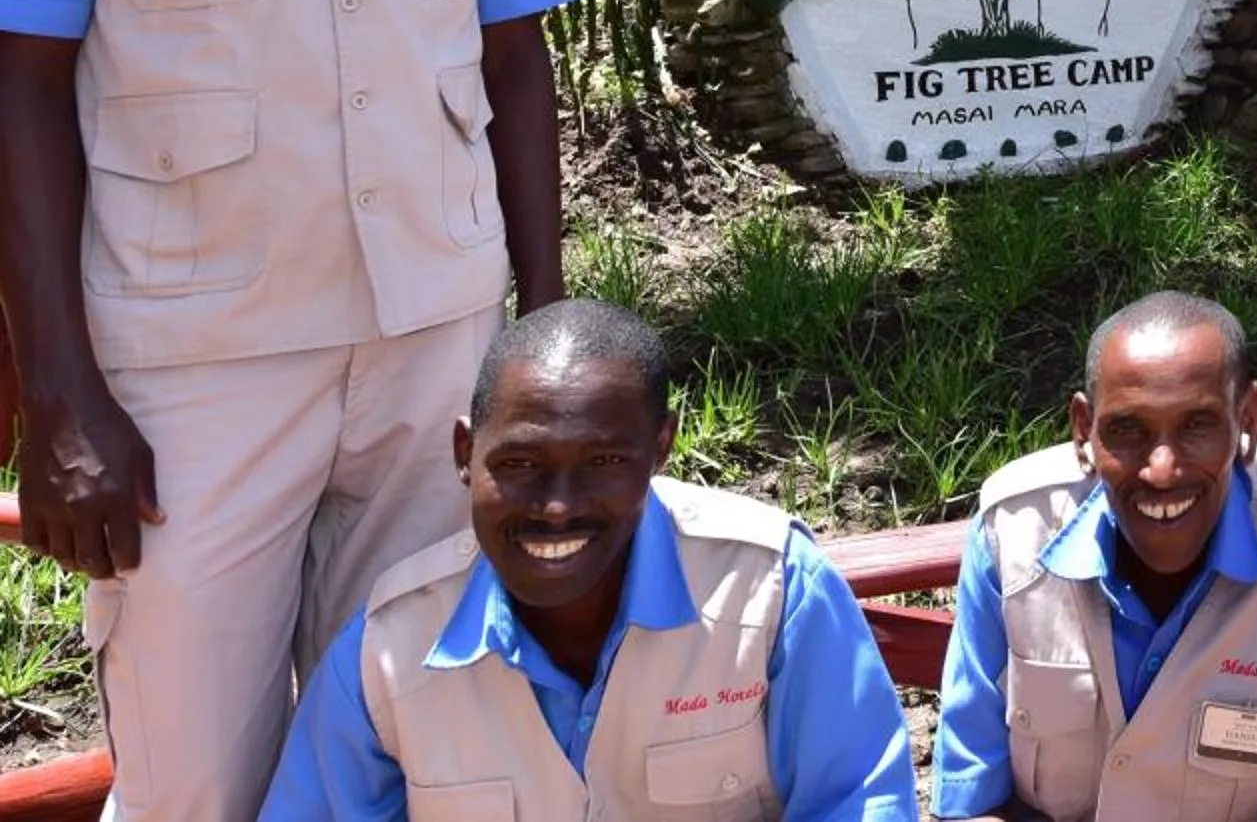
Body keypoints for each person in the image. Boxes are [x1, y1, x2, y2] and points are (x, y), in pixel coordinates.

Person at [0, 0, 594, 822]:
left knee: (408, 737)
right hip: (188, 358)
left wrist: (545, 335)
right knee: (191, 766)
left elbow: (517, 60)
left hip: (430, 346)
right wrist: (56, 393)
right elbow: (20, 85)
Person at [258, 298, 919, 820]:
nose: (556, 507)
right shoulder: (387, 653)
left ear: (660, 449)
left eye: (604, 462)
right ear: (465, 454)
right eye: (519, 464)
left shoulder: (769, 589)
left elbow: (858, 802)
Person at [933, 291, 1257, 820]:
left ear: (1247, 419)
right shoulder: (1013, 531)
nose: (1161, 470)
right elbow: (972, 799)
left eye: (1197, 426)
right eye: (1127, 429)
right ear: (1084, 429)